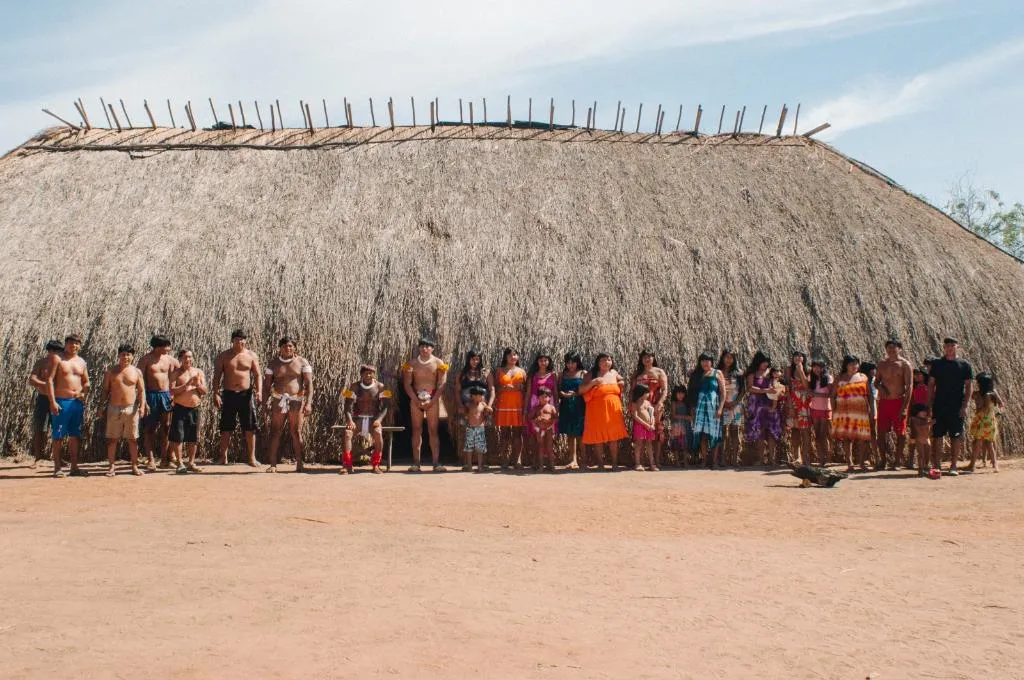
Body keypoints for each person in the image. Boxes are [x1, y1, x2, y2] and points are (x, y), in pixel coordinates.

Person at [212, 330, 262, 467]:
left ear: (245, 341)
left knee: (250, 427)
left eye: (242, 339)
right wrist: (216, 393)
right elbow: (217, 376)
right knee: (225, 427)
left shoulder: (251, 355)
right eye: (237, 339)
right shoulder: (224, 356)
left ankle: (252, 458)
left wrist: (259, 392)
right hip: (228, 394)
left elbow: (257, 375)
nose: (240, 342)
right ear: (232, 341)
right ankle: (223, 457)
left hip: (246, 394)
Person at [263, 337, 313, 473]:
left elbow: (309, 384)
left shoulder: (302, 362)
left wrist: (308, 403)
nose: (288, 348)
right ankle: (273, 464)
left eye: (291, 346)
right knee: (275, 432)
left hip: (297, 401)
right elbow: (266, 386)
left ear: (295, 347)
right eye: (285, 346)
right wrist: (264, 404)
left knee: (296, 432)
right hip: (278, 401)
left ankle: (299, 463)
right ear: (280, 347)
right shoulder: (273, 364)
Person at [45, 333, 90, 477]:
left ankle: (74, 467)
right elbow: (49, 381)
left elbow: (86, 381)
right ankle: (57, 467)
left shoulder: (82, 362)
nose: (74, 346)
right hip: (61, 402)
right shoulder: (58, 359)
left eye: (77, 343)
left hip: (76, 403)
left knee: (75, 435)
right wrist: (52, 401)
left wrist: (84, 393)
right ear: (66, 344)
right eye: (71, 343)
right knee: (58, 435)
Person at [928, 337, 973, 476]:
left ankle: (953, 466)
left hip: (956, 406)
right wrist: (929, 405)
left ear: (957, 347)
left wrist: (965, 406)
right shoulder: (937, 364)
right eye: (947, 345)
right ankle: (937, 465)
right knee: (938, 436)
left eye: (952, 345)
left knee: (956, 436)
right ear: (944, 347)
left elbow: (969, 386)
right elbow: (931, 385)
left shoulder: (964, 364)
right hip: (939, 405)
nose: (949, 348)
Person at [99, 344, 146, 477]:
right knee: (113, 439)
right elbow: (105, 391)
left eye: (128, 354)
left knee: (132, 439)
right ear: (119, 355)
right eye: (123, 354)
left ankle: (134, 466)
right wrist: (101, 407)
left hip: (131, 408)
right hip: (114, 408)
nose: (126, 357)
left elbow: (142, 391)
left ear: (132, 356)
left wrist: (142, 407)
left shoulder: (137, 372)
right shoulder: (111, 371)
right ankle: (111, 466)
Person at [402, 338, 449, 472]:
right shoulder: (411, 364)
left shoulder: (439, 363)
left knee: (433, 430)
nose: (424, 349)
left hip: (432, 400)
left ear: (432, 349)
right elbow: (407, 384)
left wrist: (432, 401)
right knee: (416, 430)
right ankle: (416, 463)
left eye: (428, 346)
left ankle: (436, 463)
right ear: (419, 348)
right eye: (422, 346)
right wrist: (416, 400)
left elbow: (441, 385)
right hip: (416, 399)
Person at [138, 335, 180, 471]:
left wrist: (173, 394)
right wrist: (143, 401)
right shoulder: (145, 360)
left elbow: (178, 376)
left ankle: (164, 459)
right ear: (157, 347)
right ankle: (150, 459)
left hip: (166, 395)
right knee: (149, 428)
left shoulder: (170, 360)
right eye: (165, 346)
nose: (168, 349)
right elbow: (140, 382)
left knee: (166, 427)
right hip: (151, 395)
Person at [579, 353, 628, 470]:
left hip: (613, 410)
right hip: (596, 410)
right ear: (598, 362)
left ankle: (614, 464)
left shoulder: (614, 373)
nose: (606, 362)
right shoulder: (591, 374)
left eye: (609, 359)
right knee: (598, 437)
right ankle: (600, 464)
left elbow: (622, 382)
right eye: (603, 360)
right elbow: (581, 390)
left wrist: (622, 383)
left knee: (613, 437)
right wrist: (593, 382)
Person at [340, 365, 390, 474]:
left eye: (371, 373)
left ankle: (376, 464)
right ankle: (347, 465)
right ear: (361, 374)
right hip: (357, 418)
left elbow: (386, 406)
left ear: (374, 374)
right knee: (348, 433)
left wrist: (379, 420)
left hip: (374, 419)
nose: (368, 375)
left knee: (378, 433)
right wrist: (350, 421)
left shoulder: (381, 386)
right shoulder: (353, 386)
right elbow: (347, 406)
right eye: (366, 373)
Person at [875, 339, 913, 470]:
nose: (891, 350)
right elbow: (876, 381)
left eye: (894, 347)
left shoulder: (905, 364)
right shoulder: (881, 364)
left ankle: (897, 461)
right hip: (884, 403)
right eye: (888, 347)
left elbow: (909, 387)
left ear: (899, 349)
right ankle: (883, 460)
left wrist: (904, 407)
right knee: (881, 432)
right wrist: (881, 388)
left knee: (900, 433)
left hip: (899, 402)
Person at [168, 349, 207, 474]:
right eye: (185, 357)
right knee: (178, 436)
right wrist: (187, 385)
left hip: (195, 408)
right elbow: (172, 391)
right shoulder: (176, 374)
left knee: (193, 438)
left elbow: (204, 391)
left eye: (190, 357)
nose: (188, 360)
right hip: (180, 408)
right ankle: (180, 463)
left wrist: (198, 385)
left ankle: (191, 462)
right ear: (180, 359)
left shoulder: (198, 372)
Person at [831, 355, 872, 472]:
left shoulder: (863, 377)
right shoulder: (839, 377)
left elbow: (869, 395)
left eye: (856, 364)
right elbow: (833, 395)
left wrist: (871, 410)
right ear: (846, 365)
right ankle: (849, 463)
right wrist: (834, 411)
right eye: (851, 364)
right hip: (844, 412)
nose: (854, 366)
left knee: (863, 438)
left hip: (860, 411)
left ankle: (861, 463)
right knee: (847, 438)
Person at [489, 348, 527, 471]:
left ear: (518, 357)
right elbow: (494, 388)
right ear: (505, 357)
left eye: (515, 355)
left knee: (517, 434)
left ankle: (517, 460)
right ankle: (504, 460)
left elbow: (527, 390)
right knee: (504, 434)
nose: (513, 357)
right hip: (503, 406)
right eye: (510, 355)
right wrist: (504, 388)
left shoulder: (522, 371)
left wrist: (520, 387)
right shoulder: (499, 371)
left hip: (518, 406)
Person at [27, 339, 63, 468]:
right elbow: (32, 379)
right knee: (40, 429)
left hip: (58, 400)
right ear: (50, 351)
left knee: (58, 429)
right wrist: (46, 384)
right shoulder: (41, 363)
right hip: (43, 399)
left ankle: (57, 458)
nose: (58, 354)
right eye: (56, 351)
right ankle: (38, 458)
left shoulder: (62, 364)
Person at [744, 351, 782, 468]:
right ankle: (760, 459)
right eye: (763, 362)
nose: (765, 364)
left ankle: (772, 459)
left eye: (766, 362)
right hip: (757, 406)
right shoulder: (752, 373)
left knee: (771, 431)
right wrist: (765, 390)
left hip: (771, 404)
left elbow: (779, 383)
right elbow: (750, 388)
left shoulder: (771, 373)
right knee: (759, 432)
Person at [631, 349, 668, 467]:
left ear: (653, 358)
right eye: (644, 357)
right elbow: (632, 391)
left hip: (655, 405)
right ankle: (640, 461)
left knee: (657, 433)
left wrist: (659, 403)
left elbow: (665, 389)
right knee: (641, 433)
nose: (647, 359)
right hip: (640, 407)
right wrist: (631, 405)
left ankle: (656, 460)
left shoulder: (659, 372)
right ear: (641, 360)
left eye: (650, 357)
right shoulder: (637, 373)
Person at [689, 353, 726, 468]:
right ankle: (704, 460)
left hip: (713, 408)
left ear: (711, 362)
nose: (705, 363)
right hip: (700, 408)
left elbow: (723, 392)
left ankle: (714, 462)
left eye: (707, 360)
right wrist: (693, 408)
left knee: (714, 434)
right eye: (703, 360)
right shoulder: (696, 375)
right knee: (703, 435)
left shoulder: (717, 373)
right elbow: (691, 392)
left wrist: (720, 408)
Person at [525, 354, 558, 470]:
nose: (543, 362)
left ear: (548, 362)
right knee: (536, 436)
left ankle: (550, 464)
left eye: (545, 360)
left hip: (550, 404)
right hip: (535, 404)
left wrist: (556, 407)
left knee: (549, 437)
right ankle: (537, 462)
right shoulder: (533, 375)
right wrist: (526, 409)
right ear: (537, 362)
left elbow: (555, 393)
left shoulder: (553, 375)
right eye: (541, 360)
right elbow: (528, 393)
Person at [966, 373, 1002, 473]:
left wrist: (979, 403)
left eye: (978, 383)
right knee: (989, 443)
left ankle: (972, 465)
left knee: (977, 442)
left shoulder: (986, 395)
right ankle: (995, 465)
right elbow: (1000, 403)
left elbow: (984, 408)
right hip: (989, 421)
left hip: (982, 421)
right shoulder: (992, 394)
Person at [456, 351, 490, 456]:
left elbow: (492, 389)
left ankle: (481, 462)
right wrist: (461, 405)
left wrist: (489, 405)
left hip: (481, 406)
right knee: (467, 433)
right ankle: (467, 462)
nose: (475, 361)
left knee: (482, 433)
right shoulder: (462, 373)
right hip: (467, 407)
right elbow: (457, 391)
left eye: (477, 359)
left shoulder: (485, 373)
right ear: (468, 359)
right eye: (473, 359)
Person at [557, 352, 587, 471]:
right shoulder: (562, 374)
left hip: (580, 405)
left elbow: (587, 389)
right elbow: (558, 389)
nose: (570, 365)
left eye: (573, 362)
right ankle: (572, 460)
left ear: (578, 362)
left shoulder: (583, 374)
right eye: (568, 362)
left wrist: (576, 393)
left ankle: (584, 460)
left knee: (581, 433)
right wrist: (562, 394)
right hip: (566, 405)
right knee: (570, 434)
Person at [715, 349, 744, 467]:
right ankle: (722, 459)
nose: (728, 360)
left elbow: (743, 390)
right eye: (726, 357)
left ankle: (734, 459)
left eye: (731, 358)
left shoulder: (739, 373)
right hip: (722, 405)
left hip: (736, 406)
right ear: (722, 358)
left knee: (735, 432)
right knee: (722, 432)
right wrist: (723, 404)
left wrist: (735, 402)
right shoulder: (718, 372)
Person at [785, 351, 813, 466]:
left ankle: (806, 457)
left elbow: (807, 386)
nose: (798, 357)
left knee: (805, 431)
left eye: (800, 356)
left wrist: (801, 371)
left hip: (804, 402)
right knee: (795, 430)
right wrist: (790, 405)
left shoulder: (808, 370)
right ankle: (797, 457)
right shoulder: (788, 369)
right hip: (793, 401)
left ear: (804, 358)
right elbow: (787, 388)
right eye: (795, 355)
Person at [808, 360, 833, 465]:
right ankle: (821, 458)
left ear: (823, 368)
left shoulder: (828, 378)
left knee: (824, 435)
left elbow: (831, 395)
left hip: (825, 409)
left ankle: (828, 457)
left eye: (819, 367)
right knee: (817, 435)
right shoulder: (811, 379)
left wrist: (815, 394)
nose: (816, 369)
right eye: (814, 367)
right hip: (814, 409)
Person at [629, 383, 658, 471]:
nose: (648, 394)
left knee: (649, 444)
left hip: (649, 427)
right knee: (639, 444)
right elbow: (635, 416)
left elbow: (652, 414)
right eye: (646, 392)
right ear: (640, 393)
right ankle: (637, 464)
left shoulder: (648, 403)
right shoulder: (635, 403)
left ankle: (652, 464)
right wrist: (645, 424)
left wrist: (652, 424)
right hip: (639, 426)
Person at [528, 387, 558, 472]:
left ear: (549, 397)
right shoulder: (536, 408)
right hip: (539, 430)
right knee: (540, 447)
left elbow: (556, 418)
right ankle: (541, 466)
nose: (544, 399)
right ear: (538, 397)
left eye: (546, 397)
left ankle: (552, 466)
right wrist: (535, 423)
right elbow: (530, 418)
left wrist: (550, 421)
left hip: (548, 430)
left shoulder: (551, 408)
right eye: (541, 397)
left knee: (549, 447)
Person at [463, 386, 492, 472]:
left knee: (480, 448)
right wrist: (465, 416)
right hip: (470, 428)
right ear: (473, 396)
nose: (482, 397)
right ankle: (469, 466)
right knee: (469, 447)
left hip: (480, 429)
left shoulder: (483, 405)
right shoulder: (468, 405)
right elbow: (464, 414)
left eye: (482, 396)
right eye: (480, 395)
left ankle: (480, 466)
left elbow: (489, 411)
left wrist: (489, 411)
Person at [859, 361, 880, 469]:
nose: (873, 371)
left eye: (874, 368)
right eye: (871, 369)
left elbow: (874, 397)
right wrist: (872, 411)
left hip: (873, 409)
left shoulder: (875, 381)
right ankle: (864, 460)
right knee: (866, 436)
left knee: (873, 435)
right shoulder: (863, 382)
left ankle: (874, 458)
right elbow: (870, 397)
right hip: (865, 410)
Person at [908, 368, 930, 471]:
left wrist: (927, 413)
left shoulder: (927, 388)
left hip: (923, 414)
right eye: (915, 375)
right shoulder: (914, 387)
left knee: (924, 437)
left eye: (919, 375)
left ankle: (925, 462)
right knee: (913, 435)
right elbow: (912, 401)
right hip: (915, 413)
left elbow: (929, 401)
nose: (916, 376)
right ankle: (911, 459)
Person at [668, 386, 692, 467]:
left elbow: (691, 415)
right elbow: (673, 415)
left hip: (686, 426)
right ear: (675, 394)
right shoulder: (674, 403)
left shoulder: (687, 404)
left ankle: (685, 461)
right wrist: (686, 417)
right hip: (676, 427)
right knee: (676, 444)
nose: (680, 395)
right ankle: (677, 462)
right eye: (678, 394)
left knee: (685, 444)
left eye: (682, 393)